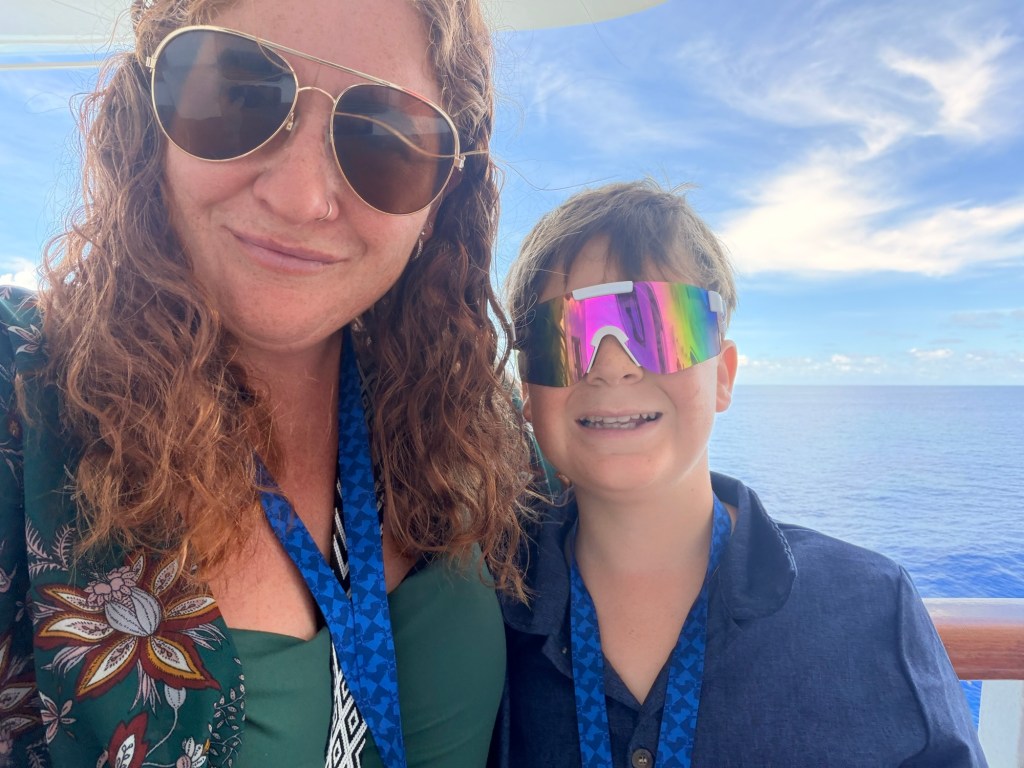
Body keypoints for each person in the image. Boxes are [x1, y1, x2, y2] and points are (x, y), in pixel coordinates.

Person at [0, 0, 532, 765]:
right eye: (238, 95)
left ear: (445, 191)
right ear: (150, 111)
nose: (300, 196)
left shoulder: (471, 417)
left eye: (383, 139)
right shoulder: (23, 392)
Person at [494, 180, 986, 767]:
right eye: (564, 336)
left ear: (723, 375)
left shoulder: (873, 608)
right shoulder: (480, 614)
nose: (613, 366)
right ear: (528, 392)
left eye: (656, 326)